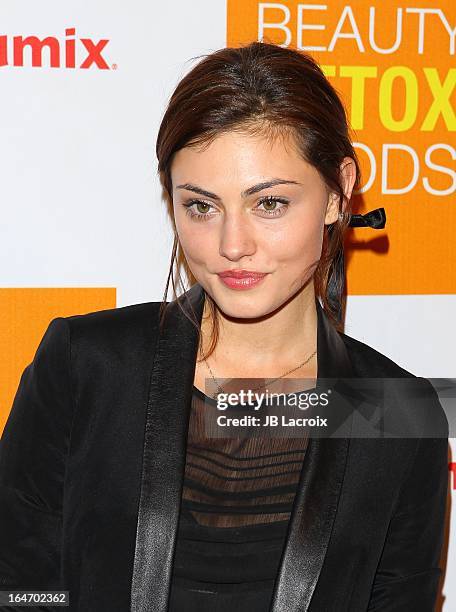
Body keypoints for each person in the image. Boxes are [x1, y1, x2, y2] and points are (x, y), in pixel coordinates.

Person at [0, 41, 449, 612]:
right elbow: (18, 584)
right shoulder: (87, 365)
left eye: (270, 204)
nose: (233, 246)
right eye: (202, 207)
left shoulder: (394, 410)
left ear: (338, 191)